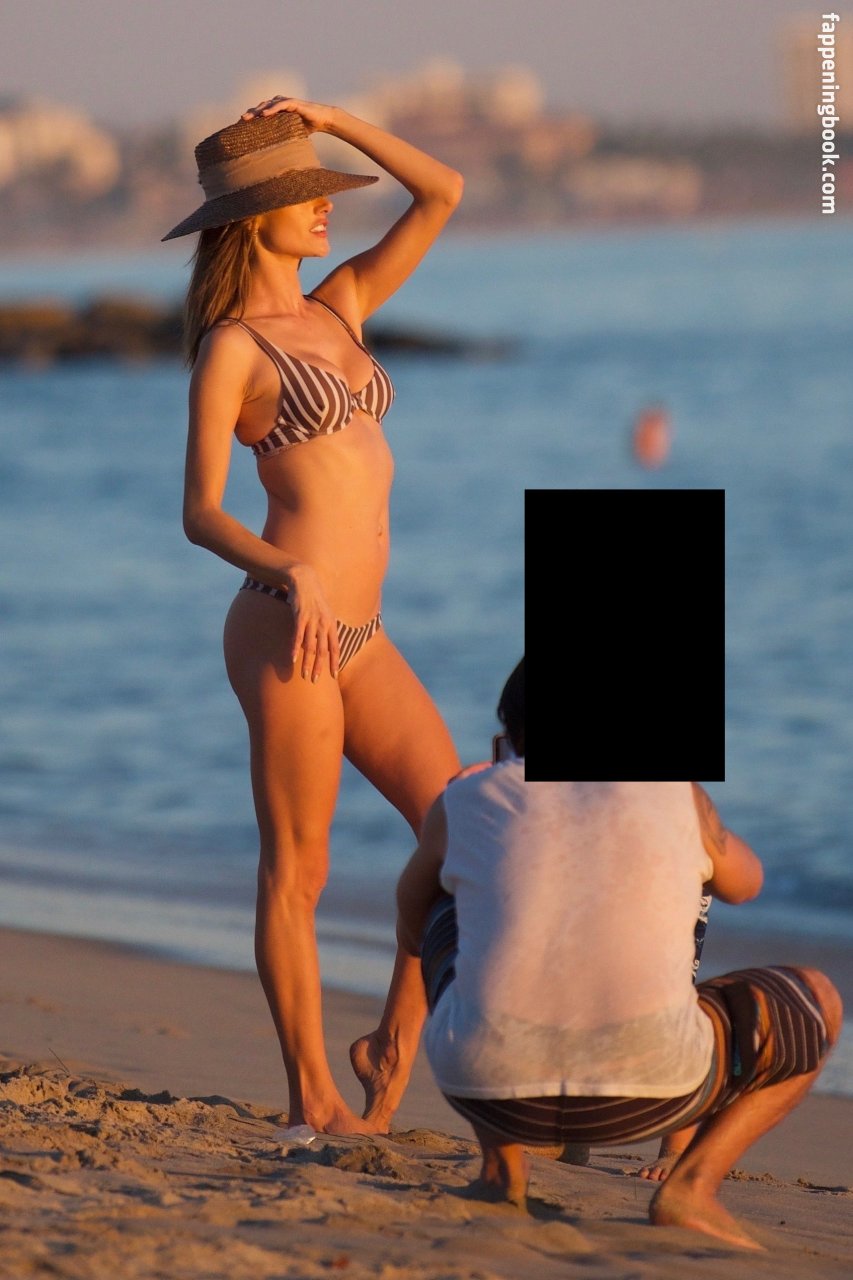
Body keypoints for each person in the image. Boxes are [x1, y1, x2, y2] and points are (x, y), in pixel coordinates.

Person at [170, 95, 463, 1135]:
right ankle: (311, 1097)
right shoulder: (233, 350)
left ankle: (391, 1040)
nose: (327, 207)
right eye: (306, 194)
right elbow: (201, 511)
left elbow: (442, 192)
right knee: (298, 870)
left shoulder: (340, 307)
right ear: (254, 218)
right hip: (284, 625)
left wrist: (334, 121)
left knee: (461, 829)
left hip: (363, 634)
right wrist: (291, 568)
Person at [396, 658, 842, 1250]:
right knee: (816, 997)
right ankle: (693, 1186)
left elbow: (411, 926)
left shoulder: (468, 796)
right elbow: (747, 883)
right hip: (654, 1095)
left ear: (511, 733)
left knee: (445, 910)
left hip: (489, 1088)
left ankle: (501, 1169)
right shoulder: (677, 794)